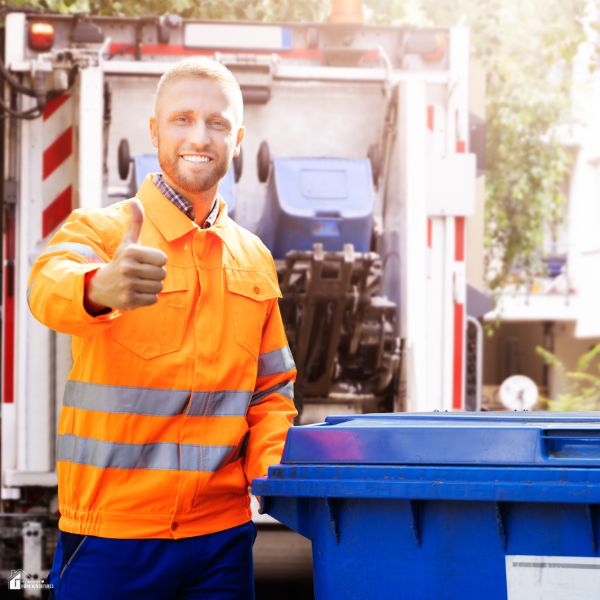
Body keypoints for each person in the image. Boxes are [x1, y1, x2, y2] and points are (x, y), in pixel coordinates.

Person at [28, 56, 297, 600]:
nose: (199, 135)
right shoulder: (103, 232)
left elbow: (271, 393)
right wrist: (98, 288)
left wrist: (274, 479)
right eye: (181, 119)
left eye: (217, 123)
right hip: (113, 536)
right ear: (154, 130)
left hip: (222, 541)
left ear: (237, 139)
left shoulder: (254, 258)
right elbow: (45, 284)